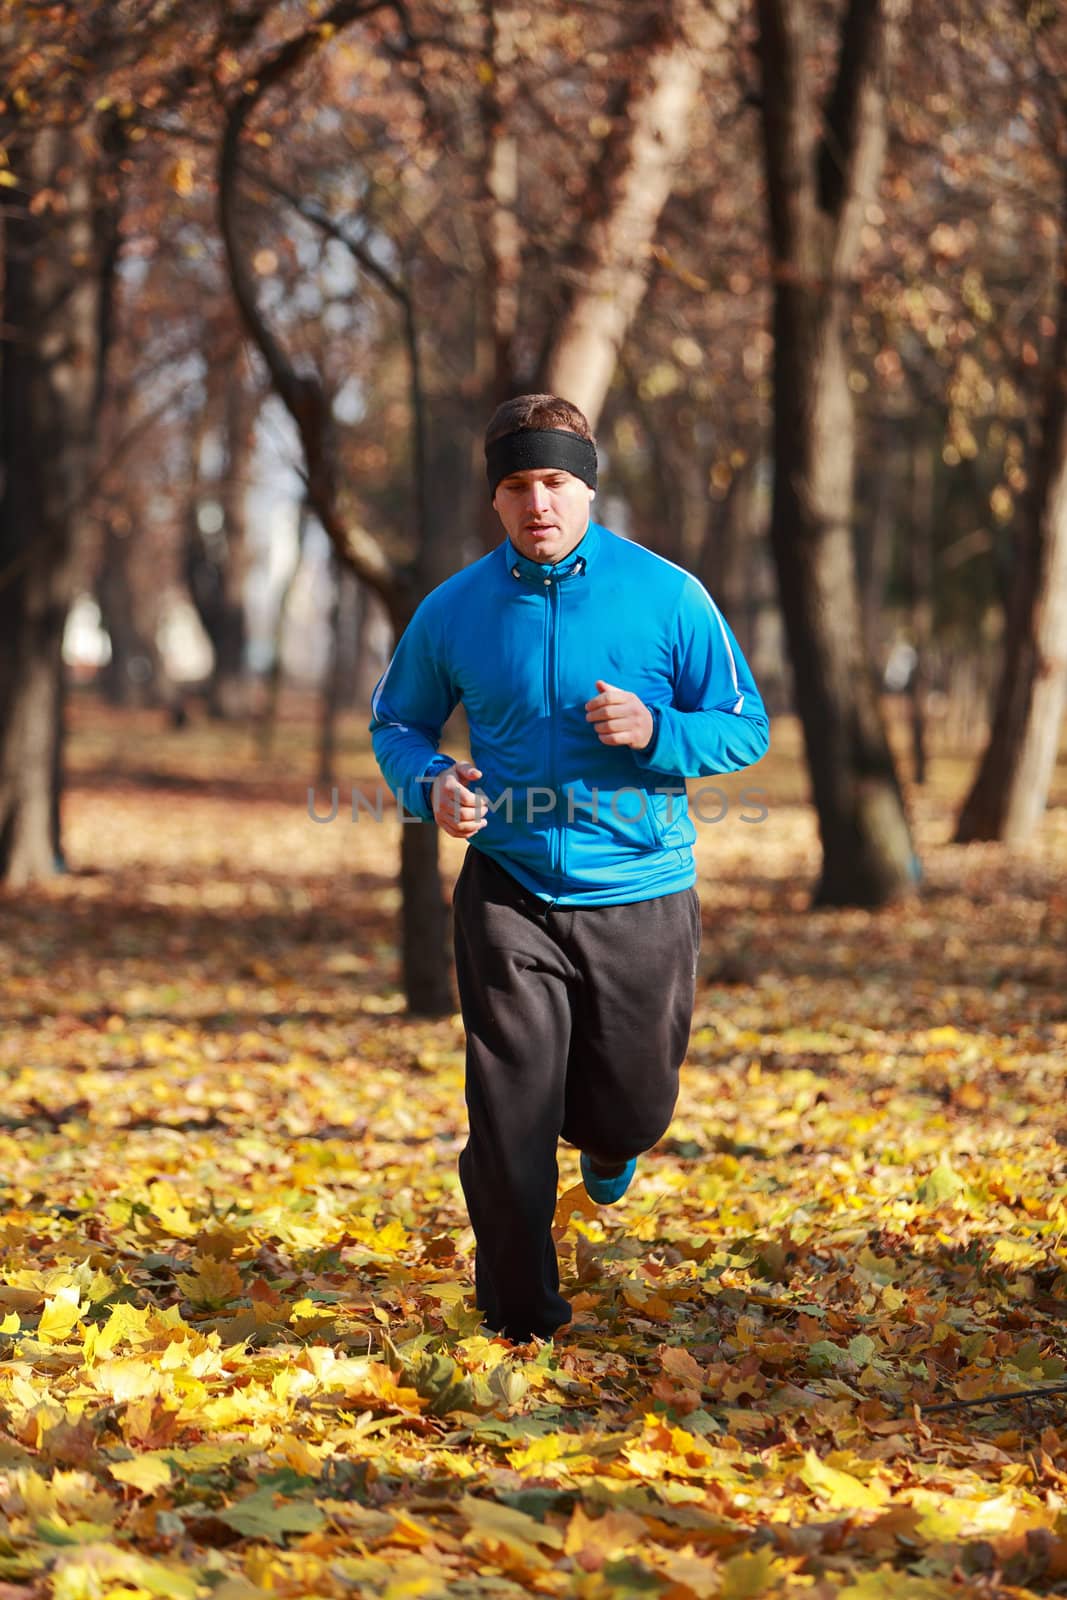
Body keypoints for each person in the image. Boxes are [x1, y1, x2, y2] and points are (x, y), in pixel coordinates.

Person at [370, 394, 769, 1342]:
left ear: (586, 486)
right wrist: (429, 783)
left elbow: (744, 722)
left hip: (640, 892)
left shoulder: (668, 596)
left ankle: (611, 1145)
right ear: (495, 500)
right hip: (507, 889)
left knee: (631, 1108)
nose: (536, 502)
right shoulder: (455, 608)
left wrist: (657, 730)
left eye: (553, 481)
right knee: (506, 1120)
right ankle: (521, 1322)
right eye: (515, 485)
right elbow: (397, 722)